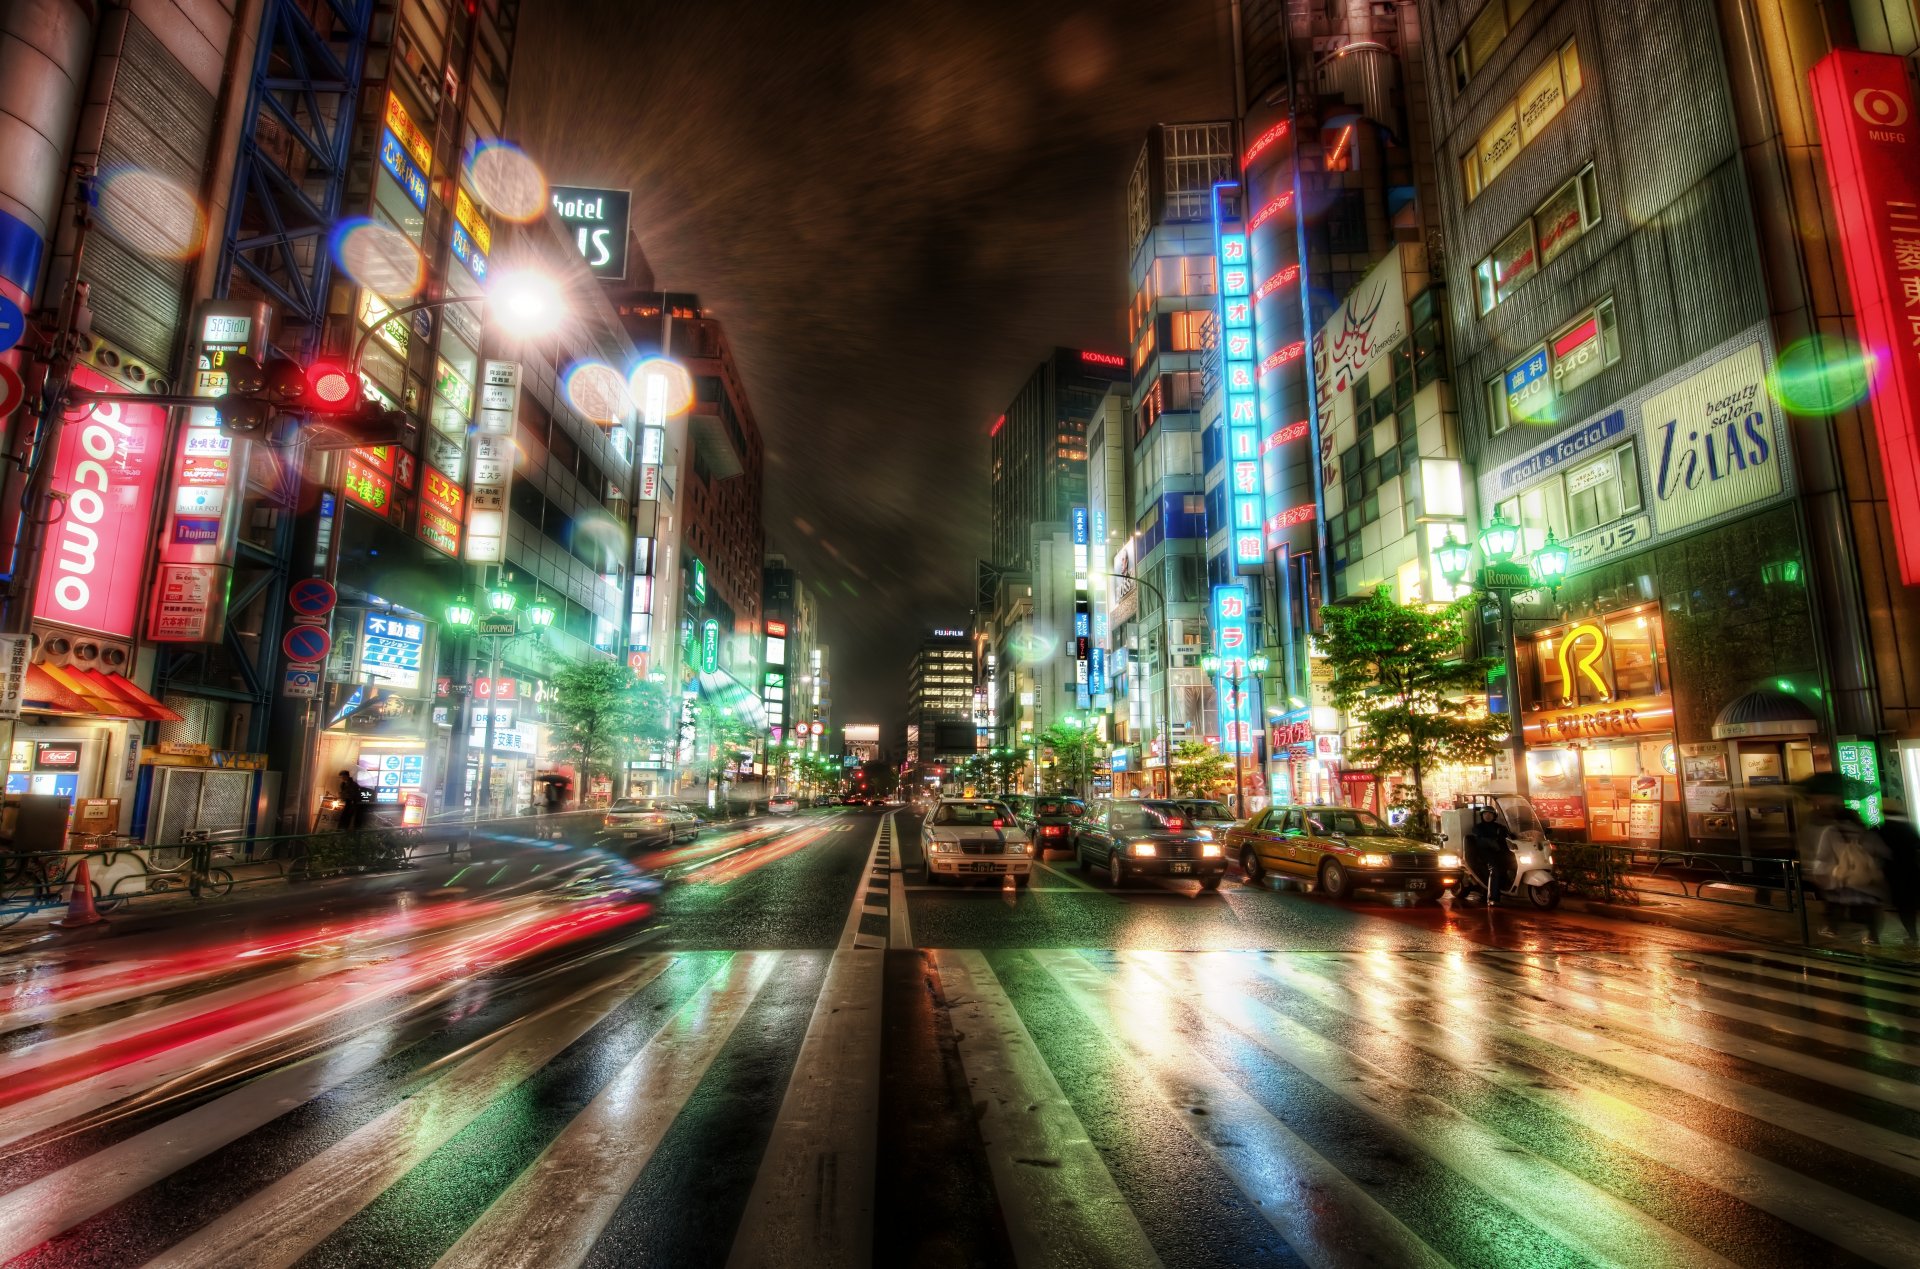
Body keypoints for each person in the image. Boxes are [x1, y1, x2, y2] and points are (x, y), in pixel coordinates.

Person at [1811, 806, 1890, 945]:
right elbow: (1884, 853)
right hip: (1864, 880)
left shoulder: (1830, 831)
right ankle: (1872, 936)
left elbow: (1822, 857)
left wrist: (1831, 869)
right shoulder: (1866, 832)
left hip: (1843, 879)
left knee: (1837, 904)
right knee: (1868, 906)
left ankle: (1833, 930)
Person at [1876, 799, 1920, 947]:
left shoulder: (1882, 829)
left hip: (1894, 873)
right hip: (1912, 870)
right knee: (1911, 903)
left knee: (1903, 905)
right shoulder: (1908, 827)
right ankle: (1912, 933)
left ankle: (1912, 934)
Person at [1466, 806, 1516, 905]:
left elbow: (1510, 836)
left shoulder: (1500, 827)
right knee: (1495, 869)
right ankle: (1492, 898)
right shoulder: (1478, 828)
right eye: (1485, 814)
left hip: (1500, 853)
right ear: (1482, 816)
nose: (1487, 816)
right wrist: (1493, 841)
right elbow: (1482, 840)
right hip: (1485, 853)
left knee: (1514, 864)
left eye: (1490, 814)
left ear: (1494, 816)